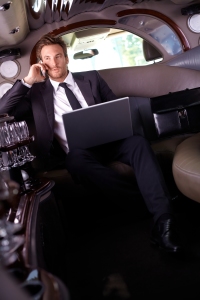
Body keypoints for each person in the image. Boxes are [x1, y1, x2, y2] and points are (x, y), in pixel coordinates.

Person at [0, 34, 183, 253]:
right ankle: (150, 208)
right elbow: (3, 110)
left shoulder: (92, 79)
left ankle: (165, 222)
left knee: (138, 143)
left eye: (58, 56)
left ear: (67, 59)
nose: (54, 62)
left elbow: (115, 109)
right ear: (41, 63)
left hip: (111, 142)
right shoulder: (36, 94)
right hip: (78, 154)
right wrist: (28, 81)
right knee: (76, 160)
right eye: (47, 58)